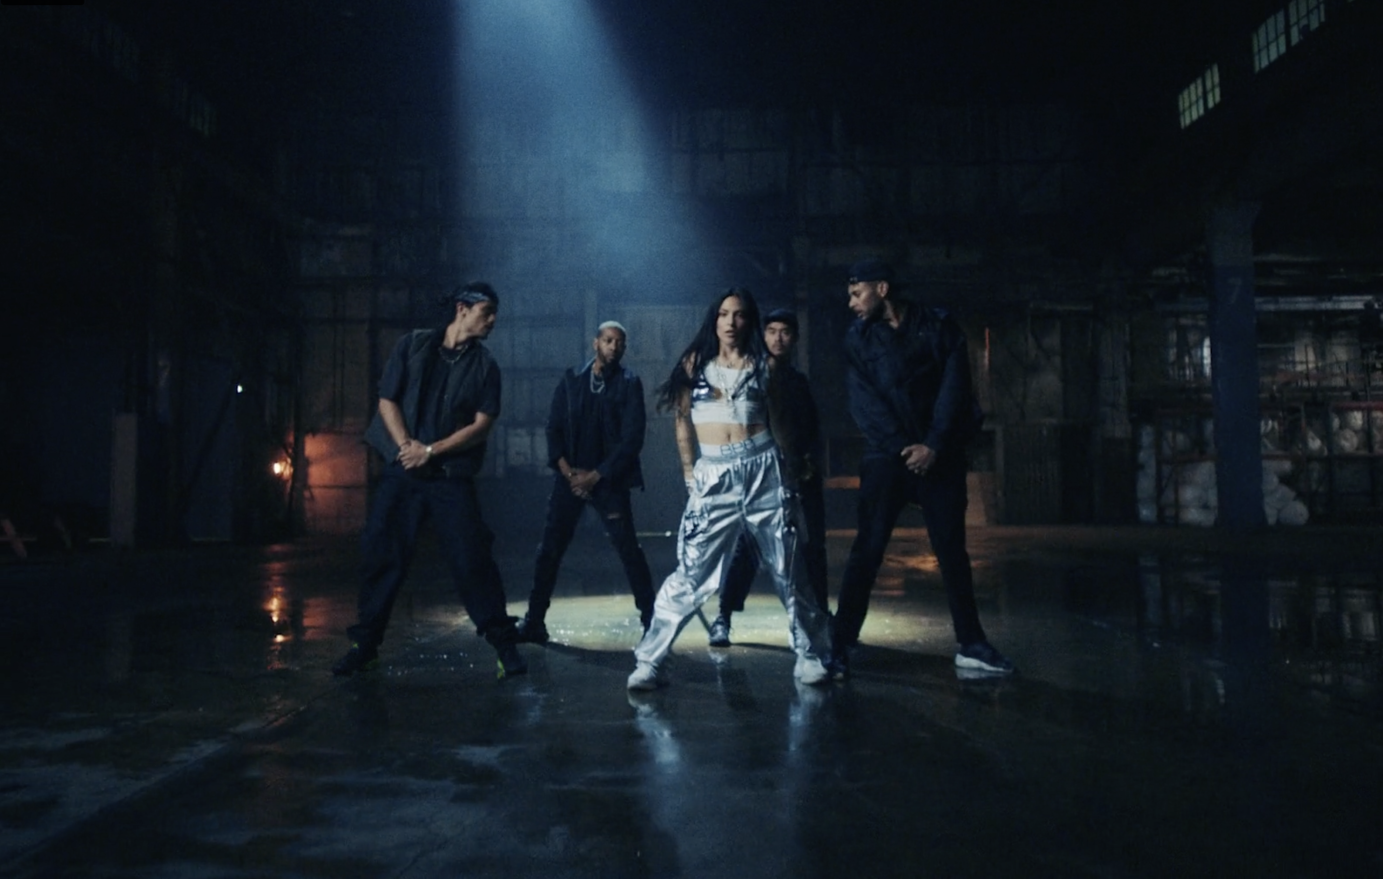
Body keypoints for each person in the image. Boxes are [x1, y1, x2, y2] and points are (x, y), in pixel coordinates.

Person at [627, 288, 834, 690]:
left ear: (749, 321)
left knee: (789, 567)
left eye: (739, 315)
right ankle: (649, 661)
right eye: (724, 314)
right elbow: (682, 421)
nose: (731, 322)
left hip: (763, 469)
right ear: (714, 319)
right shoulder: (694, 364)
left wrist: (792, 471)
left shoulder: (764, 366)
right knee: (691, 573)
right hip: (713, 474)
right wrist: (689, 472)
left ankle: (809, 655)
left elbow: (779, 422)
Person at [332, 281, 527, 679]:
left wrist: (431, 451)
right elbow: (387, 399)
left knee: (472, 557)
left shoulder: (484, 365)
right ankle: (364, 647)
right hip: (403, 470)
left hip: (449, 475)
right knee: (383, 554)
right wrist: (408, 447)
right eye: (486, 312)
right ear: (462, 309)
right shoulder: (413, 345)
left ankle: (504, 646)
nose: (492, 320)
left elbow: (482, 425)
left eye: (494, 314)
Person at [835, 258, 1014, 676]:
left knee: (952, 551)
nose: (851, 303)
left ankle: (972, 644)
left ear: (881, 289)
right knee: (868, 549)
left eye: (857, 293)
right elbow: (864, 404)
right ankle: (840, 643)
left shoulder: (938, 326)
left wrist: (934, 444)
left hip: (940, 455)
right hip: (888, 456)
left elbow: (956, 389)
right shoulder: (857, 338)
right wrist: (905, 448)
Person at [515, 321, 655, 643]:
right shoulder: (572, 380)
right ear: (596, 343)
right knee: (549, 550)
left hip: (608, 482)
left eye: (620, 343)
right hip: (571, 479)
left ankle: (652, 623)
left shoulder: (629, 383)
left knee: (629, 551)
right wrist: (569, 474)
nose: (614, 347)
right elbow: (553, 428)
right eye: (608, 341)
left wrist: (596, 476)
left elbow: (632, 439)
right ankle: (534, 621)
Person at [707, 308, 829, 646]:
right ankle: (723, 616)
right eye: (772, 331)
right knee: (749, 549)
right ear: (763, 336)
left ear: (795, 338)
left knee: (811, 548)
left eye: (785, 332)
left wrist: (809, 464)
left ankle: (816, 616)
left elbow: (810, 428)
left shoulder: (798, 381)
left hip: (800, 475)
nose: (778, 338)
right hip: (763, 476)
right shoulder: (753, 376)